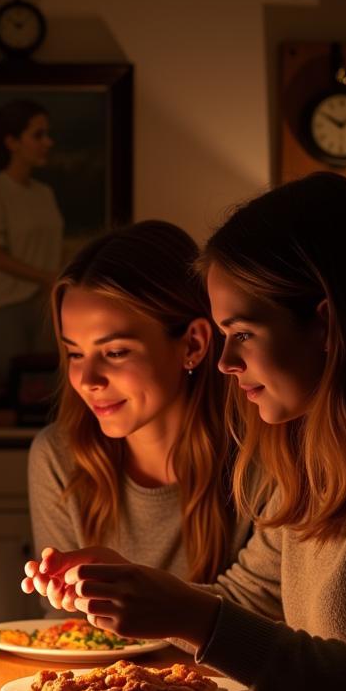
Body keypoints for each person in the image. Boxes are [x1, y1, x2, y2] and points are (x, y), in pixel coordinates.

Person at [25, 172, 346, 691]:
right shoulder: (316, 447)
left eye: (243, 336)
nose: (227, 364)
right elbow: (253, 599)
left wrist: (187, 613)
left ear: (325, 322)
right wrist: (140, 589)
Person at [24, 221, 250, 609]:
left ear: (192, 344)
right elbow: (66, 630)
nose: (88, 380)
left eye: (115, 352)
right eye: (75, 353)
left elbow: (260, 610)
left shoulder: (258, 458)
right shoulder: (58, 457)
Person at [0, 99, 64, 382]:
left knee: (48, 391)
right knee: (17, 387)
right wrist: (47, 277)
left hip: (45, 307)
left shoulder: (44, 193)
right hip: (8, 308)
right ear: (12, 142)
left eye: (47, 134)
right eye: (38, 135)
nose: (47, 142)